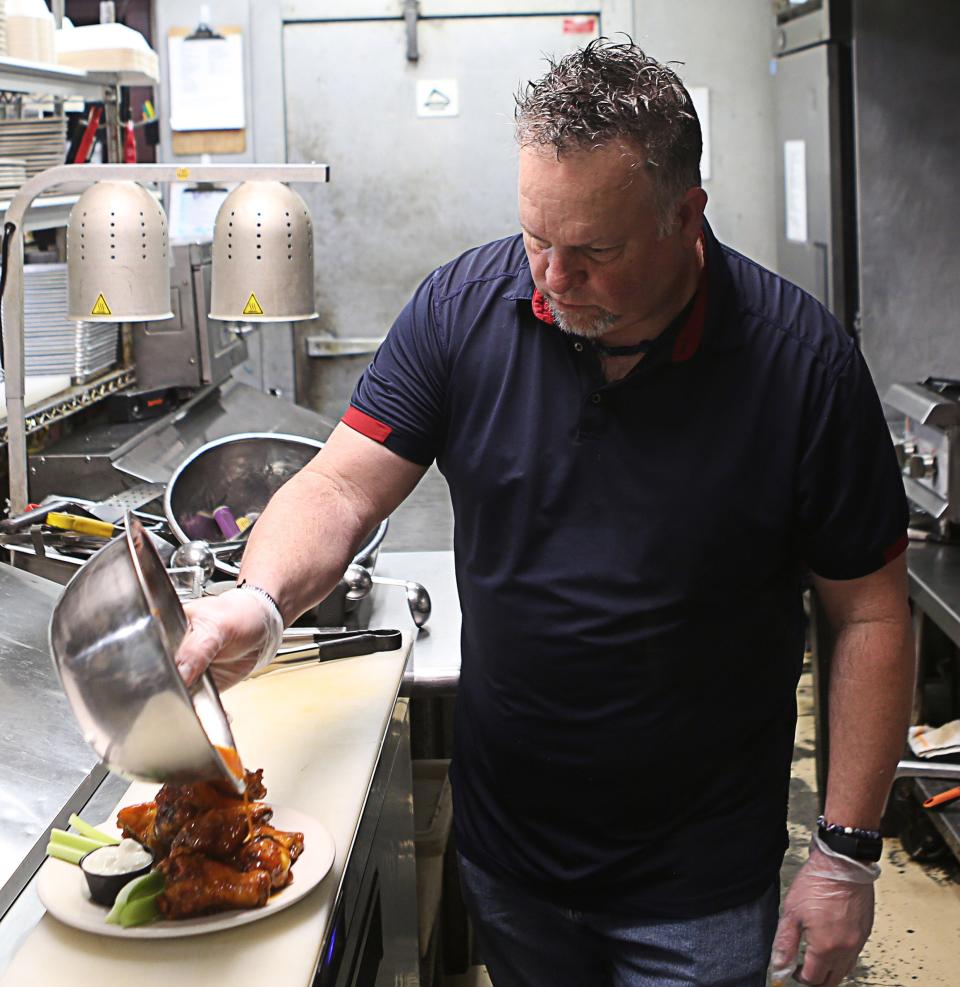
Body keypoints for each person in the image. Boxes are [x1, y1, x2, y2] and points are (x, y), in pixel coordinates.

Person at [177, 39, 915, 987]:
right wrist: (262, 598)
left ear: (686, 217)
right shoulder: (463, 309)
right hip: (511, 858)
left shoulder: (799, 366)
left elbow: (867, 613)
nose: (553, 279)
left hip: (701, 887)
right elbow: (338, 485)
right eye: (536, 237)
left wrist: (846, 849)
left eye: (596, 251)